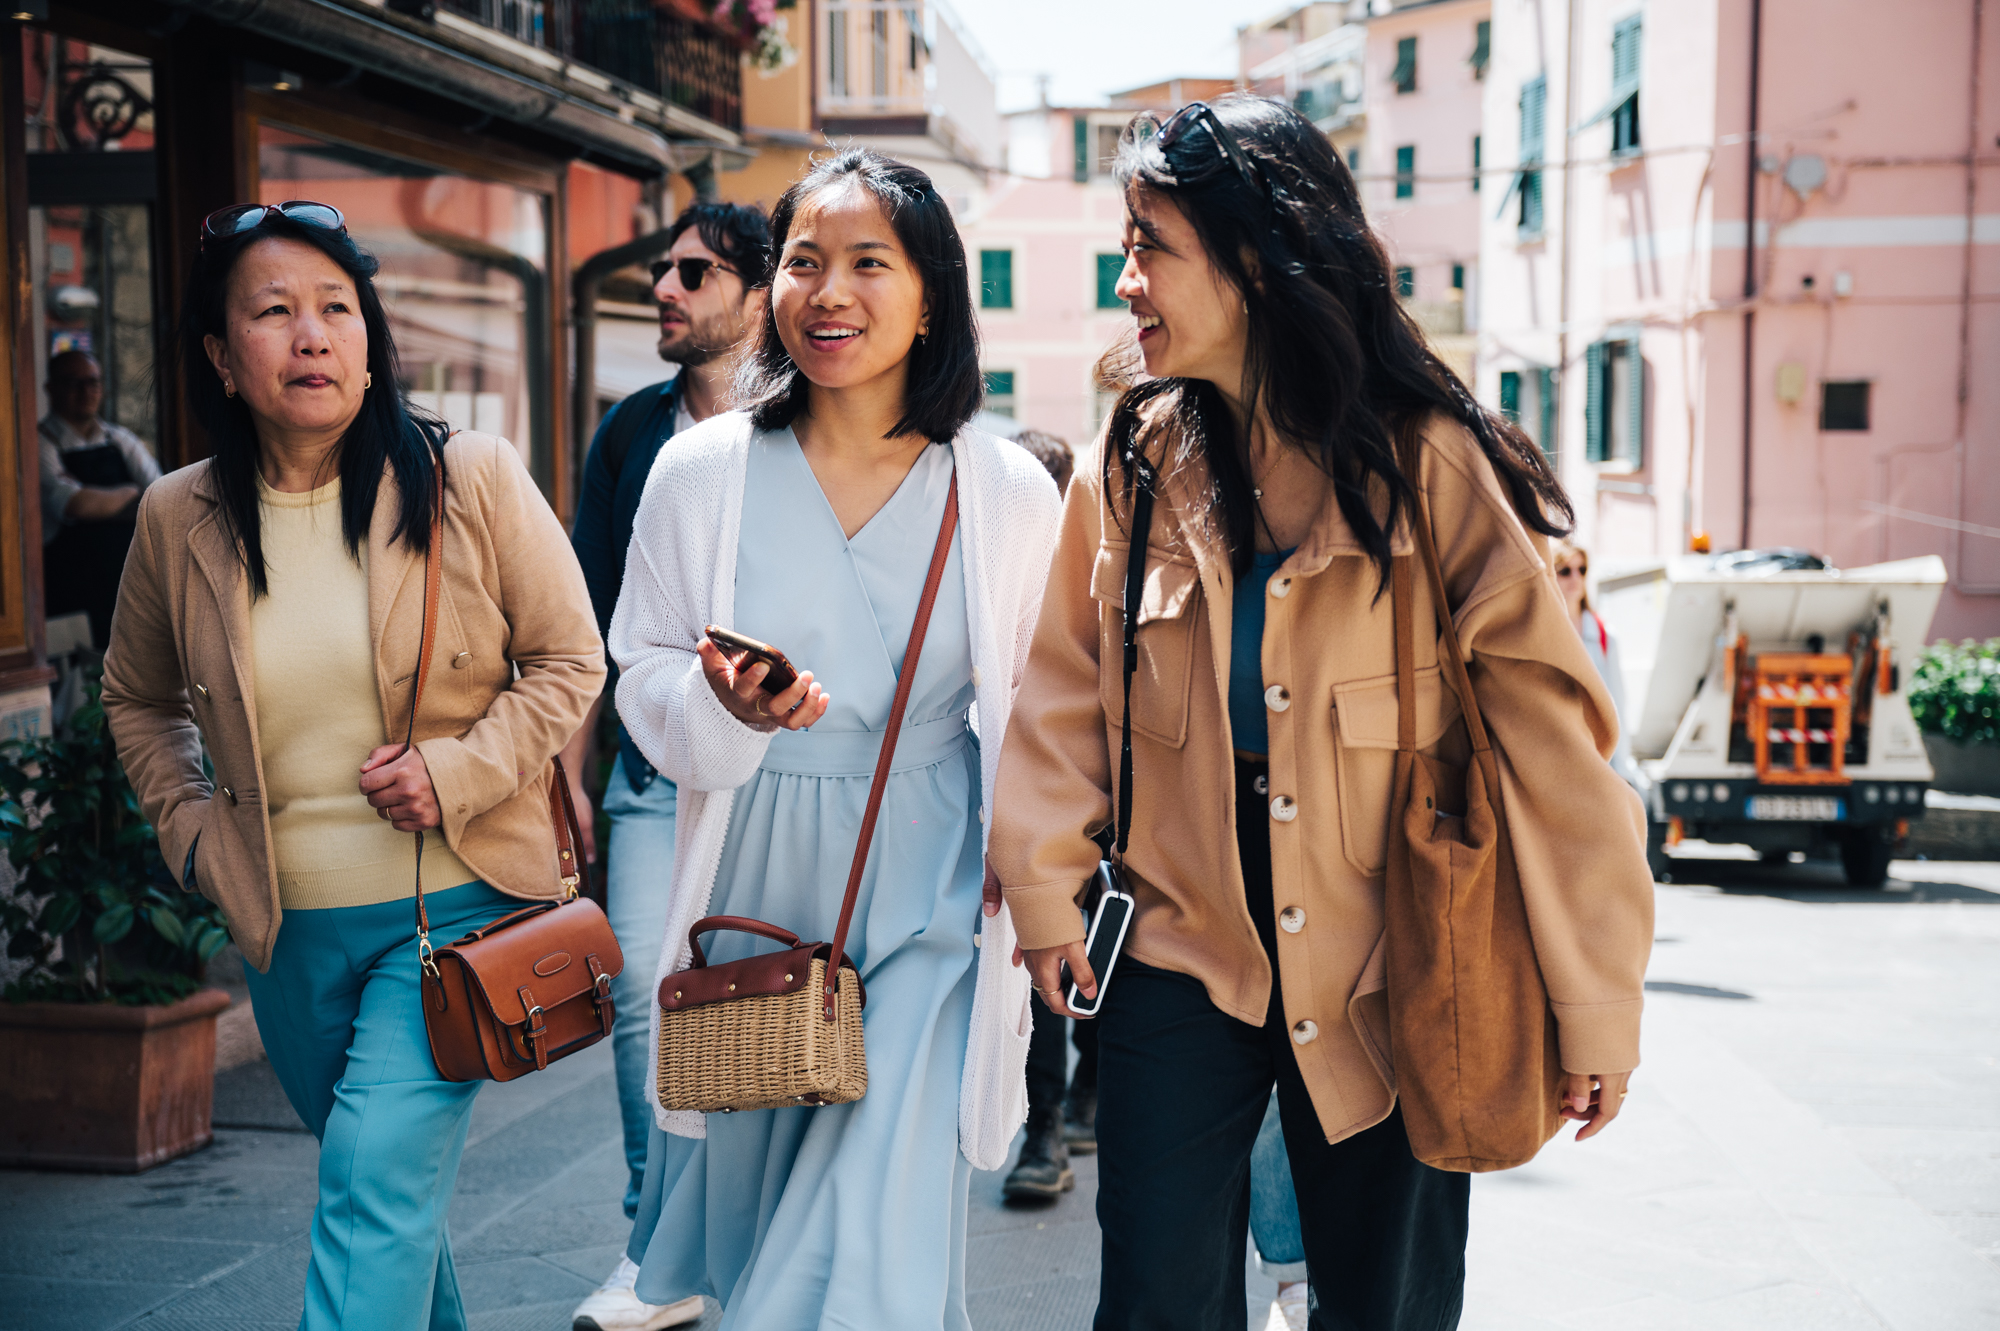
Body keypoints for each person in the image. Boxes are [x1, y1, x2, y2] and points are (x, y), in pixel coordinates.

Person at [988, 97, 1655, 1330]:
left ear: (1251, 260)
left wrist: (1593, 998)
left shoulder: (1428, 460)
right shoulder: (1129, 456)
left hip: (1396, 950)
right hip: (1176, 942)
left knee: (1386, 1304)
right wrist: (1041, 887)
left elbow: (1546, 739)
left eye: (1150, 247)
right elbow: (1064, 686)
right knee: (1150, 1302)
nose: (1125, 280)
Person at [101, 201, 604, 1331]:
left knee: (372, 1180)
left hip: (451, 916)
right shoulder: (175, 516)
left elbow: (572, 657)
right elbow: (134, 695)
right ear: (225, 359)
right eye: (274, 313)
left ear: (371, 341)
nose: (311, 334)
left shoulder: (463, 475)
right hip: (285, 933)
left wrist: (461, 768)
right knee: (388, 1202)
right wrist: (190, 833)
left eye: (336, 307)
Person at [609, 148, 1061, 1329]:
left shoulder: (1007, 489)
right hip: (754, 864)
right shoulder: (701, 470)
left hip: (929, 876)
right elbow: (640, 666)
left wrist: (1048, 877)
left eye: (870, 263)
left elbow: (1046, 703)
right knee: (776, 1213)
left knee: (869, 1204)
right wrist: (727, 708)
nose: (828, 292)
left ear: (932, 297)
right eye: (803, 261)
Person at [565, 199, 772, 1331]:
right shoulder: (628, 431)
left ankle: (746, 1228)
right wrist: (571, 774)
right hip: (649, 768)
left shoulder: (801, 423)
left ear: (754, 292)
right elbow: (586, 617)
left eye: (695, 272)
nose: (666, 288)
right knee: (650, 996)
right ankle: (657, 1245)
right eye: (661, 270)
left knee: (768, 997)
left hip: (777, 762)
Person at [999, 424, 1097, 1203]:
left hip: (1109, 810)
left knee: (1096, 958)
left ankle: (1069, 1113)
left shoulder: (1093, 549)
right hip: (1038, 798)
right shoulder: (1001, 568)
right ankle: (1048, 1126)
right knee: (1051, 971)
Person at [39, 348, 163, 647]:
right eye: (74, 382)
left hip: (128, 585)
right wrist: (132, 491)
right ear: (51, 389)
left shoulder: (120, 439)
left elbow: (160, 499)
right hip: (70, 589)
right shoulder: (39, 444)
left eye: (92, 382)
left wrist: (96, 497)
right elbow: (75, 504)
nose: (86, 391)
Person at [1552, 538, 1644, 794]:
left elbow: (1617, 705)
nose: (1575, 578)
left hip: (1598, 759)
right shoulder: (1544, 635)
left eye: (1581, 570)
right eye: (1565, 571)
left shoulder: (1605, 636)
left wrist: (1622, 769)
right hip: (1557, 757)